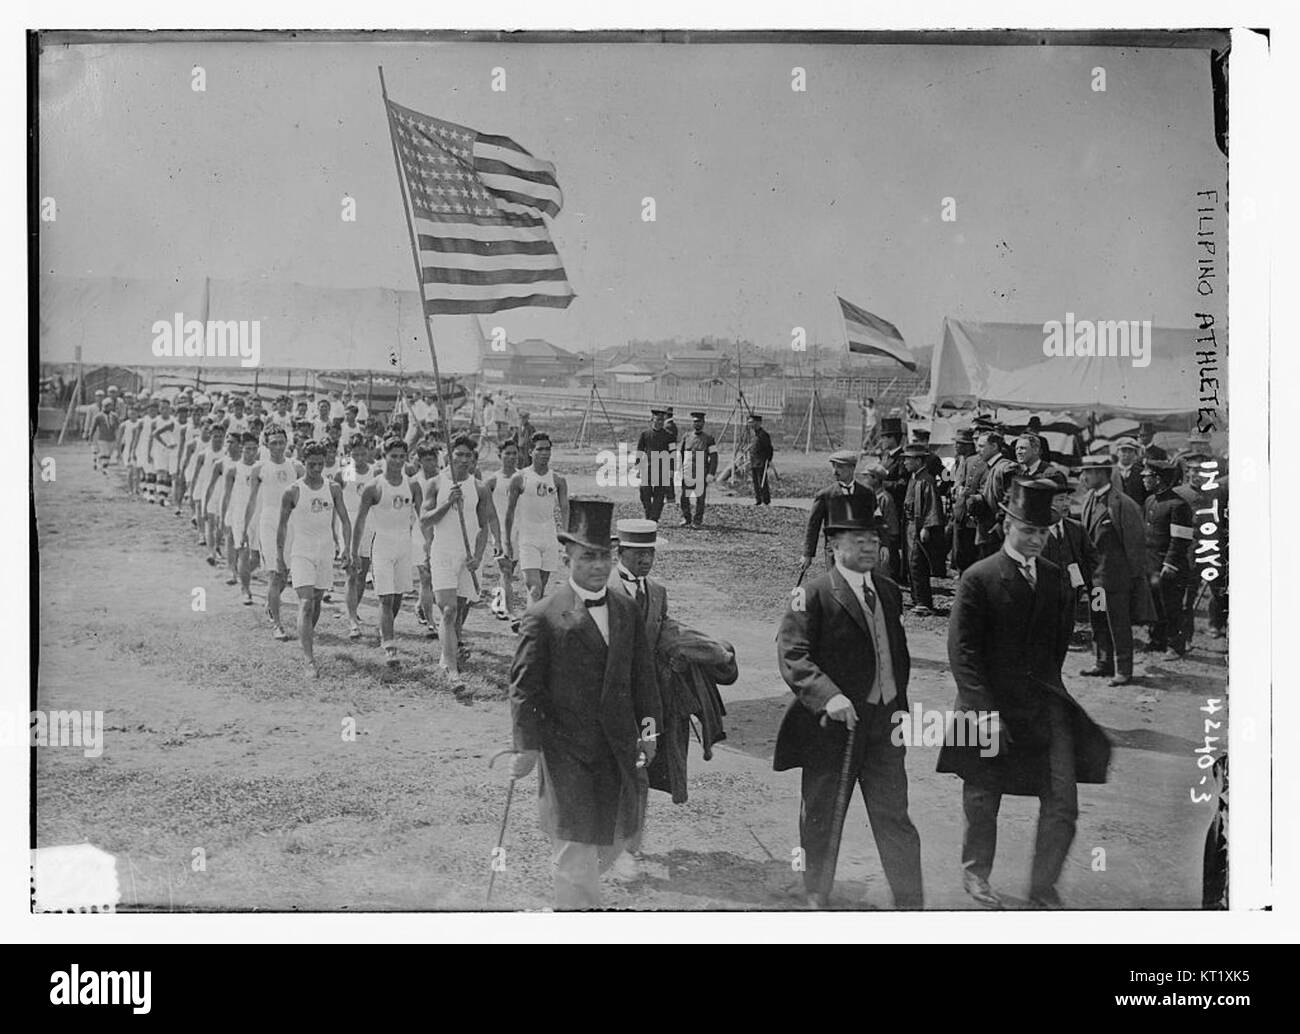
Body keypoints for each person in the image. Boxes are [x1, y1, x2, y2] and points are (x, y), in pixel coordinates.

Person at [938, 477, 1112, 909]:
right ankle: (976, 876)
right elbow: (963, 653)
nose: (1035, 539)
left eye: (1042, 531)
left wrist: (1046, 695)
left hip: (1042, 707)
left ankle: (1042, 887)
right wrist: (983, 713)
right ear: (1006, 525)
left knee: (1062, 803)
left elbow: (1055, 648)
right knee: (982, 799)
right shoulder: (978, 577)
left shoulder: (1054, 579)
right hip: (986, 706)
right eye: (1027, 530)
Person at [508, 499, 662, 909]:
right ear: (566, 558)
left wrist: (648, 732)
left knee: (614, 836)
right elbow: (524, 687)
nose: (598, 566)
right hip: (566, 750)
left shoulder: (626, 609)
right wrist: (527, 745)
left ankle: (577, 901)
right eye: (587, 557)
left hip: (617, 745)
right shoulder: (544, 615)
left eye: (604, 557)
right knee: (574, 841)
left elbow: (643, 677)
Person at [774, 492, 923, 909]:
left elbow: (896, 654)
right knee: (822, 814)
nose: (870, 545)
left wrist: (897, 707)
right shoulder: (814, 594)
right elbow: (793, 656)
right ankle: (816, 891)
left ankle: (913, 903)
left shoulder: (889, 592)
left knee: (895, 815)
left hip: (885, 725)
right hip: (833, 726)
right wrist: (829, 696)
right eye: (858, 538)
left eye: (874, 537)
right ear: (833, 545)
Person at [277, 440, 352, 677]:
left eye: (320, 464)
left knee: (317, 601)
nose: (317, 468)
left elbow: (345, 521)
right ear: (304, 462)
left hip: (325, 550)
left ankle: (306, 634)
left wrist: (347, 548)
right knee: (306, 603)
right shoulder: (293, 491)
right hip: (302, 551)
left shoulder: (334, 488)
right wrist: (280, 557)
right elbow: (281, 527)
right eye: (311, 464)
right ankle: (309, 659)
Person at [1078, 455, 1154, 686]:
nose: (1084, 477)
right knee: (1098, 620)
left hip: (1116, 579)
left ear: (1103, 473)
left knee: (1118, 624)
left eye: (1089, 472)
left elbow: (1135, 543)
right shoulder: (1089, 499)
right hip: (1096, 580)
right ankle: (1103, 663)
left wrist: (1133, 577)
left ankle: (1123, 669)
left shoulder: (1122, 503)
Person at [424, 434, 493, 682]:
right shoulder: (435, 483)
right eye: (458, 454)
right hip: (442, 553)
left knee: (460, 611)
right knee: (449, 610)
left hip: (468, 557)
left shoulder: (480, 487)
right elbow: (425, 520)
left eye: (468, 456)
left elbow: (484, 526)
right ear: (448, 456)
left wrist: (477, 556)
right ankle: (451, 667)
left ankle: (449, 650)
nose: (463, 460)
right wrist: (447, 503)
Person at [352, 437, 423, 668]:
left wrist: (428, 544)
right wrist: (353, 551)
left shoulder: (412, 485)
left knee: (398, 596)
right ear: (384, 457)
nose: (398, 461)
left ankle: (385, 628)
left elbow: (423, 519)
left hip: (404, 543)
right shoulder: (374, 486)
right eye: (393, 456)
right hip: (381, 543)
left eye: (402, 457)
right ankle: (389, 645)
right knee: (386, 596)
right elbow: (360, 522)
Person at [249, 426, 303, 641]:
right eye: (274, 443)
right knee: (274, 572)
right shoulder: (259, 468)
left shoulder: (296, 466)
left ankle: (270, 604)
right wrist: (249, 529)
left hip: (291, 521)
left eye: (281, 442)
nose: (278, 447)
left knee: (285, 574)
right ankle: (277, 625)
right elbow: (253, 501)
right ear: (266, 444)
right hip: (269, 521)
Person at [506, 432, 569, 611]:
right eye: (540, 449)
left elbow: (565, 509)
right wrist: (508, 540)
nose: (544, 453)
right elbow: (509, 512)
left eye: (547, 449)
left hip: (549, 538)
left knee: (539, 591)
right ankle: (530, 630)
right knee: (534, 589)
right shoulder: (520, 478)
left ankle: (530, 623)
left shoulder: (558, 480)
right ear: (531, 452)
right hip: (527, 537)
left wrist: (566, 538)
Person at [1140, 458, 1195, 657]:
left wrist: (1170, 564)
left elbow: (1180, 540)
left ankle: (1175, 645)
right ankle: (1157, 640)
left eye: (1147, 477)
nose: (1143, 480)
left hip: (1170, 566)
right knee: (1154, 604)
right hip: (1151, 564)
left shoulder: (1178, 505)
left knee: (1171, 606)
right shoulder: (1150, 500)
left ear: (1159, 479)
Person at [801, 449, 876, 578]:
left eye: (840, 466)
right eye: (834, 466)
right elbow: (813, 526)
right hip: (835, 552)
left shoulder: (867, 493)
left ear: (852, 468)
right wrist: (807, 554)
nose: (835, 471)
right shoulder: (826, 495)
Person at [1039, 479, 1096, 625]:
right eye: (1060, 500)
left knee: (1065, 633)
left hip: (1071, 595)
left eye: (1067, 499)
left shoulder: (1077, 529)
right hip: (1043, 597)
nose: (1066, 504)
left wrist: (1082, 582)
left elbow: (1091, 558)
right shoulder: (1034, 532)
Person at [338, 435, 377, 640]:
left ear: (369, 451)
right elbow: (337, 495)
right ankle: (352, 619)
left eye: (363, 453)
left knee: (362, 572)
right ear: (349, 453)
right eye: (355, 454)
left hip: (369, 523)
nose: (359, 457)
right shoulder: (347, 468)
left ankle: (354, 609)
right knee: (351, 572)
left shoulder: (375, 470)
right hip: (350, 522)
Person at [902, 443, 945, 615]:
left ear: (919, 461)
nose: (905, 462)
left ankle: (923, 601)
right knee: (911, 565)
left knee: (918, 564)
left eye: (908, 459)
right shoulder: (914, 478)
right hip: (910, 526)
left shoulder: (926, 480)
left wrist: (927, 527)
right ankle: (915, 598)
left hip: (918, 527)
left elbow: (932, 505)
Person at [220, 431, 261, 606]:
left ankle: (240, 572)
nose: (251, 452)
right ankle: (246, 589)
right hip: (238, 515)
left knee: (256, 558)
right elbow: (226, 496)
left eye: (254, 449)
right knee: (244, 552)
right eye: (247, 449)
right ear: (241, 448)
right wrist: (223, 518)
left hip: (258, 514)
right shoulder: (233, 469)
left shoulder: (261, 468)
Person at [485, 438, 522, 622]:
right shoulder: (492, 481)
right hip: (499, 530)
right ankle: (511, 612)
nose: (511, 457)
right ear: (500, 455)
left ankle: (498, 601)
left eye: (514, 453)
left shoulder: (523, 478)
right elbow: (484, 508)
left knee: (509, 570)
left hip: (519, 530)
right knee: (506, 570)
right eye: (507, 453)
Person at [948, 428, 985, 574]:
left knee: (968, 546)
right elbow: (955, 479)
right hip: (959, 507)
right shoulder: (962, 459)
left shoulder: (977, 461)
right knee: (959, 544)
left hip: (970, 509)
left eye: (960, 443)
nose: (956, 446)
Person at [876, 417, 908, 580]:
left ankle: (896, 574)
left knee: (893, 541)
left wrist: (883, 483)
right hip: (884, 504)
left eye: (885, 437)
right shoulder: (885, 456)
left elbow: (903, 484)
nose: (882, 440)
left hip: (896, 506)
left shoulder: (902, 459)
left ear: (894, 438)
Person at [677, 411, 719, 528]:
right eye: (695, 422)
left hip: (701, 472)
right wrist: (679, 470)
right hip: (688, 472)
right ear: (692, 423)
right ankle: (686, 518)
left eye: (700, 422)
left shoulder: (709, 439)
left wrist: (711, 473)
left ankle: (697, 521)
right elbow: (680, 454)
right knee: (684, 498)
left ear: (703, 423)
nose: (697, 424)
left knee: (700, 499)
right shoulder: (686, 437)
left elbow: (714, 457)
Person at [635, 408, 675, 521]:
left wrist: (671, 469)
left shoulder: (669, 435)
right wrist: (637, 467)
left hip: (662, 469)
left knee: (659, 494)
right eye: (658, 419)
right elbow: (640, 451)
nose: (660, 422)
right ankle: (648, 514)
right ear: (652, 419)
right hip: (647, 468)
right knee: (644, 492)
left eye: (662, 420)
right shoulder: (645, 434)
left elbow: (673, 453)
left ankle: (654, 518)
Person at [1113, 437, 1147, 506]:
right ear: (1117, 452)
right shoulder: (1110, 472)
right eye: (1123, 450)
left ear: (1135, 454)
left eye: (1130, 451)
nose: (1127, 454)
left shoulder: (1142, 472)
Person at [748, 412, 774, 505]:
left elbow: (769, 449)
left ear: (758, 423)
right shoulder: (754, 435)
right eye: (749, 422)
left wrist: (768, 460)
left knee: (762, 482)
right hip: (753, 462)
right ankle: (758, 500)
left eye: (752, 422)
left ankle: (765, 501)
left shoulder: (763, 435)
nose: (750, 424)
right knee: (755, 482)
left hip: (761, 462)